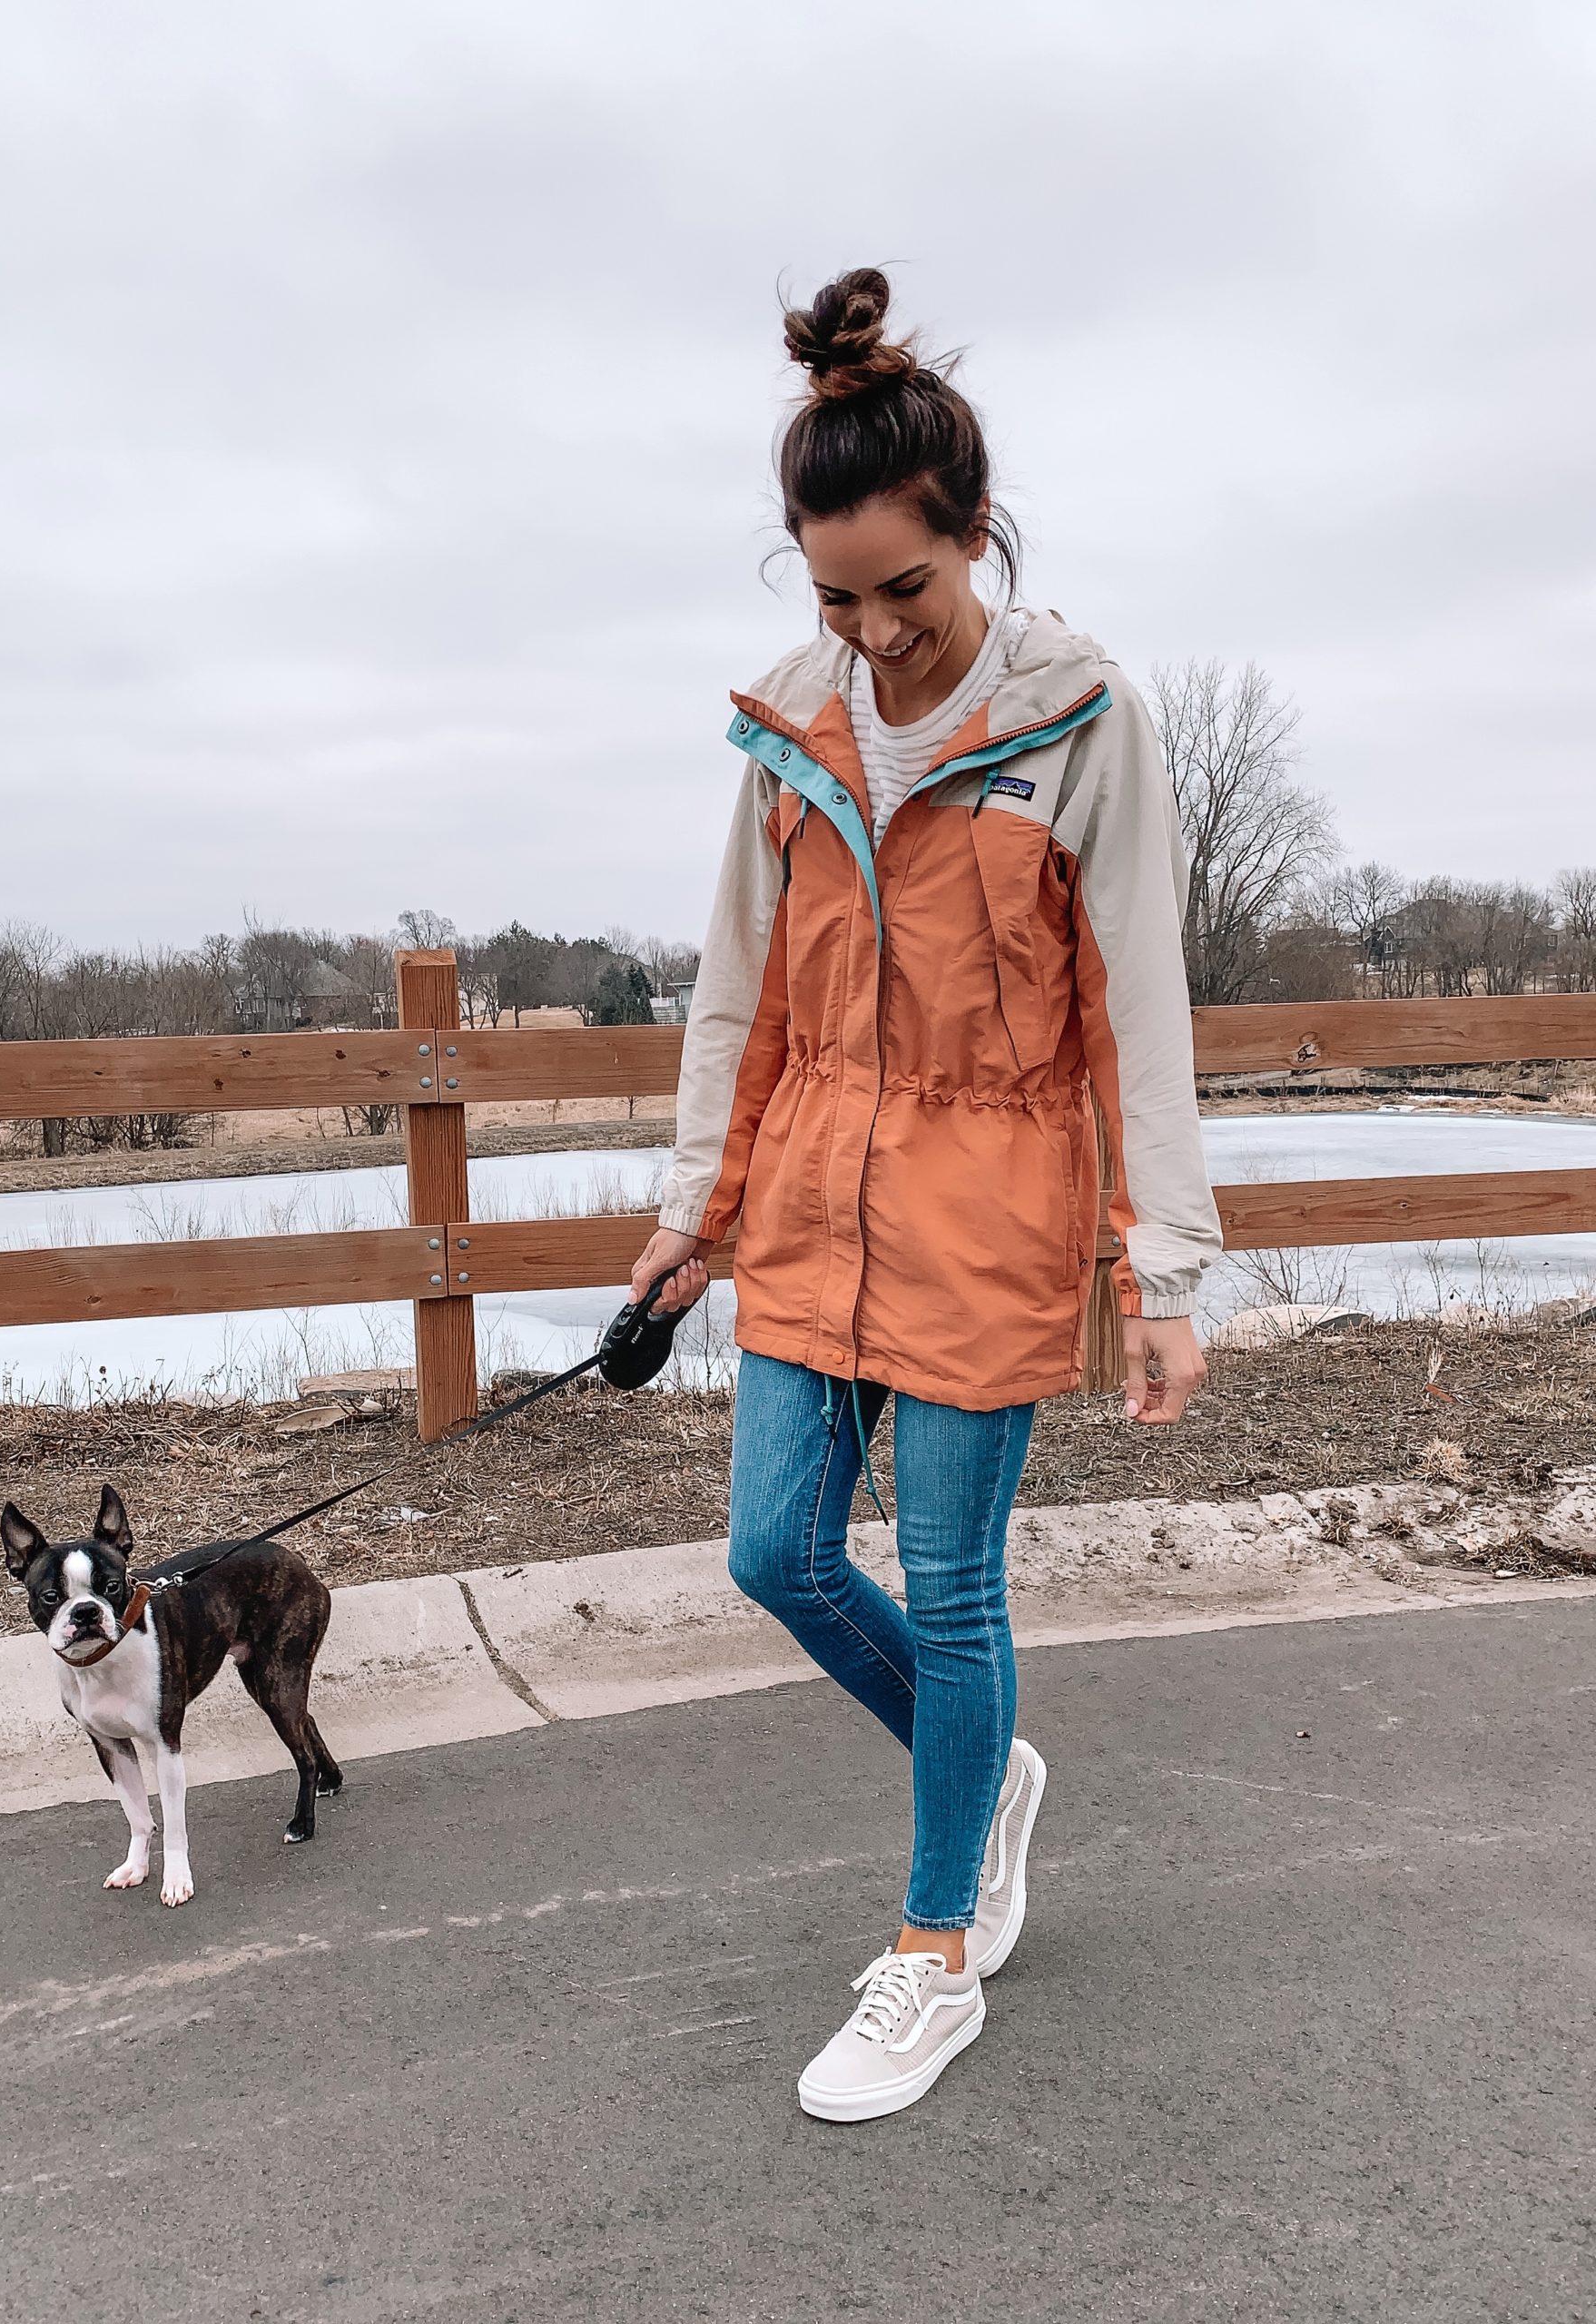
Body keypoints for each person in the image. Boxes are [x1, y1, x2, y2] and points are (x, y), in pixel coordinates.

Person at [627, 268, 1220, 2123]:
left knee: (953, 1588)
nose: (876, 635)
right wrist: (687, 1207)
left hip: (989, 1199)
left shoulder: (1077, 716)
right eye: (836, 599)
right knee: (774, 1556)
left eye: (908, 589)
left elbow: (1137, 992)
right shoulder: (786, 721)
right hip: (809, 1185)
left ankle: (933, 1944)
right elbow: (742, 979)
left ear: (975, 537)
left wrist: (1165, 1259)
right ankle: (988, 1781)